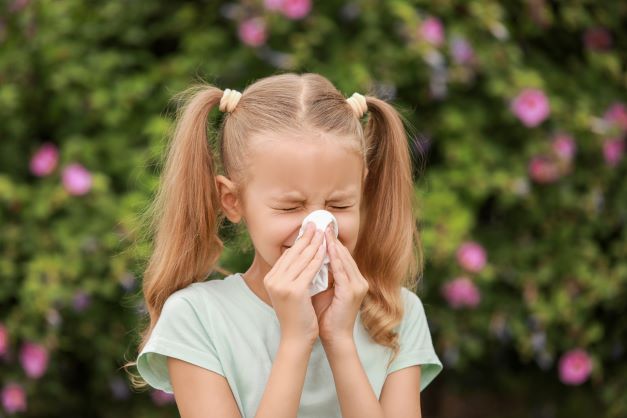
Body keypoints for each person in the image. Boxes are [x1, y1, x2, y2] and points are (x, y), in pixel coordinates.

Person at [124, 72, 443, 417]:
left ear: (363, 192)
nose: (319, 227)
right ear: (232, 201)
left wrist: (340, 342)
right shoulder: (198, 318)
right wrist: (295, 342)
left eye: (339, 205)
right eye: (290, 207)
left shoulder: (396, 313)